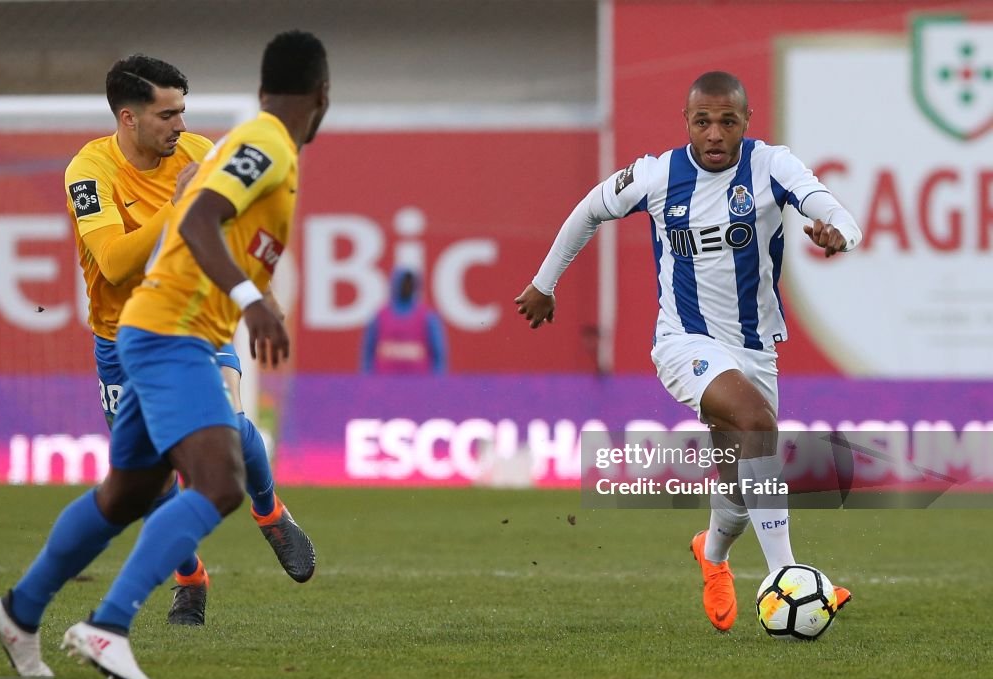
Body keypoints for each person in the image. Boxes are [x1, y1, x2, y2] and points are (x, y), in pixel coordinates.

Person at [0, 30, 329, 679]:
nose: (180, 126)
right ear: (127, 117)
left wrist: (259, 296)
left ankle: (20, 611)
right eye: (167, 114)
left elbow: (231, 237)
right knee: (160, 486)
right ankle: (124, 614)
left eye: (183, 112)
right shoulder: (94, 168)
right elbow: (116, 259)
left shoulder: (209, 150)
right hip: (138, 332)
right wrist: (239, 280)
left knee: (151, 481)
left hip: (189, 326)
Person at [515, 71, 855, 632]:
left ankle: (712, 554)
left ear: (747, 121)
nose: (715, 133)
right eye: (703, 121)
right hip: (684, 341)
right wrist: (543, 283)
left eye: (727, 120)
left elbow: (831, 206)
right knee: (755, 421)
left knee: (740, 477)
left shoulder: (773, 166)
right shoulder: (656, 175)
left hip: (755, 350)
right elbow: (589, 210)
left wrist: (839, 232)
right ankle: (787, 577)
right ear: (687, 123)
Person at [361, 267, 447, 373]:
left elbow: (439, 355)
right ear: (395, 284)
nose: (406, 287)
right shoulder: (379, 317)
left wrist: (437, 384)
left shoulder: (428, 317)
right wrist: (367, 382)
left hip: (419, 384)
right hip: (385, 383)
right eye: (403, 283)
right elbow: (368, 353)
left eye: (410, 283)